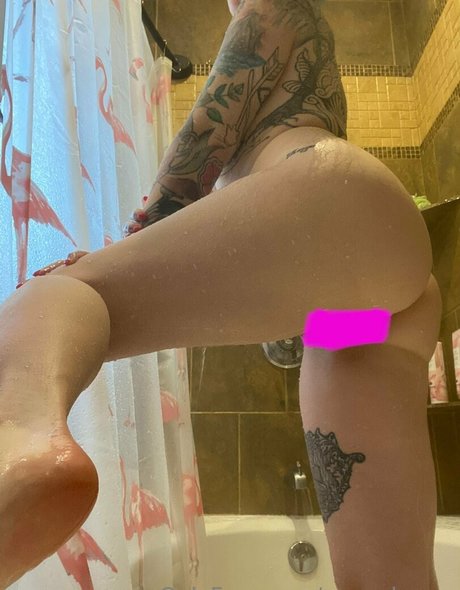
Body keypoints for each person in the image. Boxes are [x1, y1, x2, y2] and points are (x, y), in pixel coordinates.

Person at [0, 1, 442, 588]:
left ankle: (18, 441)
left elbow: (195, 153)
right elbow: (303, 306)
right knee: (388, 575)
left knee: (63, 290)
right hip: (394, 294)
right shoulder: (315, 44)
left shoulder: (271, 7)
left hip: (333, 196)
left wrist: (114, 258)